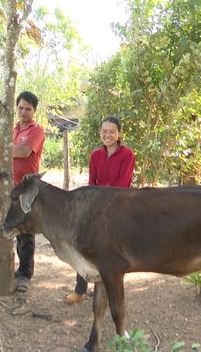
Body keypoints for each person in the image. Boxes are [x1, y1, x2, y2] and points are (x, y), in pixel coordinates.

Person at [64, 116, 135, 305]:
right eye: (104, 131)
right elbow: (91, 184)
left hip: (118, 209)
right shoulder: (95, 155)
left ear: (119, 133)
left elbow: (121, 186)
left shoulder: (128, 154)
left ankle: (108, 293)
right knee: (83, 245)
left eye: (112, 131)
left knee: (109, 253)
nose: (108, 135)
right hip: (95, 208)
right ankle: (80, 290)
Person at [12, 91, 45, 293]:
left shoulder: (37, 131)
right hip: (11, 186)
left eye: (28, 109)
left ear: (34, 111)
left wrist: (4, 148)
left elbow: (24, 153)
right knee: (14, 228)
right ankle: (18, 268)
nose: (23, 112)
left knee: (26, 231)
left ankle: (25, 274)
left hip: (28, 187)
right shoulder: (13, 128)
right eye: (21, 108)